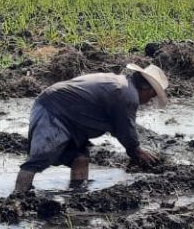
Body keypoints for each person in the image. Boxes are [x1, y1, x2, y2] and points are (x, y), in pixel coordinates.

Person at [14, 64, 169, 193]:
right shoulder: (127, 95)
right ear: (147, 89)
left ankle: (77, 196)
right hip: (54, 111)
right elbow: (125, 128)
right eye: (152, 96)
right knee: (39, 158)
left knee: (80, 159)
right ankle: (18, 197)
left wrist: (134, 150)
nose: (149, 101)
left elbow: (118, 126)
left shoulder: (122, 85)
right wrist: (136, 151)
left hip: (70, 119)